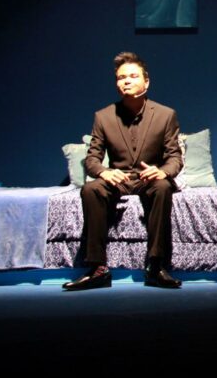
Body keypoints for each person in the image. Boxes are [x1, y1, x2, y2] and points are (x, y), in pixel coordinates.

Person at [63, 52, 184, 290]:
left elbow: (175, 157)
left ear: (146, 82)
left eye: (133, 76)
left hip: (149, 178)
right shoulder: (103, 116)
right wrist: (104, 172)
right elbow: (92, 159)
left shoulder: (166, 114)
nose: (126, 81)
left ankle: (156, 267)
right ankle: (98, 269)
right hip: (118, 178)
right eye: (121, 77)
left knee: (162, 188)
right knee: (90, 190)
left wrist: (163, 171)